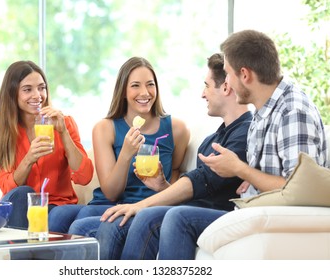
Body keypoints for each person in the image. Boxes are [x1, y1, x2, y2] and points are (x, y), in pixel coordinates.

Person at [155, 29, 328, 259]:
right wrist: (251, 176)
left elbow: (301, 190)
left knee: (178, 218)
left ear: (244, 74)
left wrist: (239, 168)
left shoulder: (292, 111)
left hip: (269, 218)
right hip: (252, 211)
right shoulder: (263, 109)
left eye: (227, 74)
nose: (226, 83)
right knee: (171, 215)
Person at [78, 52, 253, 259]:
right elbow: (197, 188)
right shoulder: (211, 139)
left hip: (211, 214)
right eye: (135, 85)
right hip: (187, 208)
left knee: (136, 220)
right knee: (82, 227)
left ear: (225, 87)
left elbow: (202, 181)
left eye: (206, 85)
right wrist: (162, 186)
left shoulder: (246, 133)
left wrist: (139, 205)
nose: (202, 94)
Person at [67, 56, 190, 236]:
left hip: (147, 208)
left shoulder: (177, 130)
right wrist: (126, 154)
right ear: (123, 91)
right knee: (67, 216)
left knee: (81, 226)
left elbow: (176, 172)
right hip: (110, 203)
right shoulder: (105, 128)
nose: (145, 92)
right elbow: (111, 194)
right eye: (135, 85)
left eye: (150, 84)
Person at [0, 60, 94, 233]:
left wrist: (64, 133)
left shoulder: (64, 123)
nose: (37, 95)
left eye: (41, 88)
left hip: (60, 207)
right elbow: (8, 190)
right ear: (12, 93)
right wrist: (29, 159)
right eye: (28, 89)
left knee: (57, 216)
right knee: (22, 194)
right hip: (22, 210)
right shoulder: (0, 132)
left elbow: (85, 176)